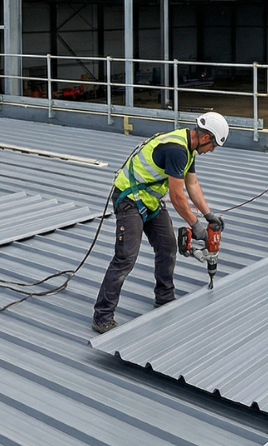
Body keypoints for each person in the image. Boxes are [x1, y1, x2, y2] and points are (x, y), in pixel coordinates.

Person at [92, 112, 229, 334]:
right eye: (213, 146)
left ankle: (164, 298)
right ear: (205, 138)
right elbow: (177, 197)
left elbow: (192, 185)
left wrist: (208, 214)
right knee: (125, 257)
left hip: (150, 200)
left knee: (167, 247)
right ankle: (102, 316)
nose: (211, 151)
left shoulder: (188, 148)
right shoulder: (177, 150)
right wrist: (196, 226)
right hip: (129, 199)